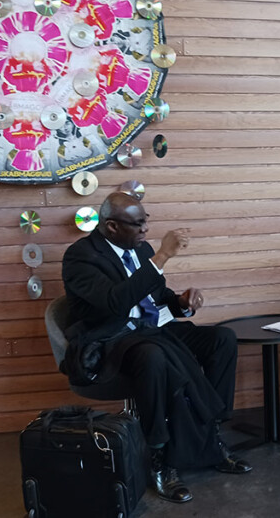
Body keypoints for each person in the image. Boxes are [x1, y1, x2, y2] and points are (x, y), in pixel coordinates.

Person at [61, 192, 251, 504]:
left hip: (153, 330)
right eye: (137, 224)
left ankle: (210, 436)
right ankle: (161, 458)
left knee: (222, 339)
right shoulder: (80, 256)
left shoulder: (141, 249)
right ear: (111, 226)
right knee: (153, 355)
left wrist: (182, 302)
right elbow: (116, 303)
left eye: (145, 221)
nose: (145, 230)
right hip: (112, 340)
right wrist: (161, 257)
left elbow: (157, 297)